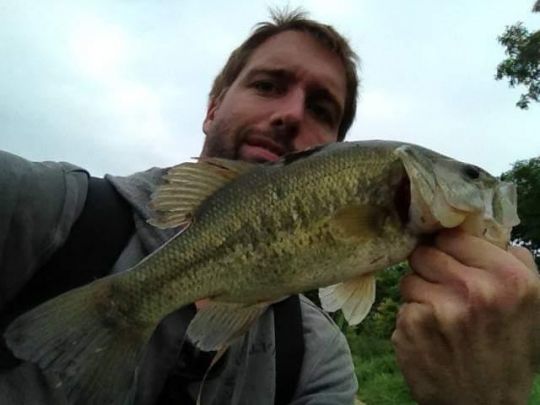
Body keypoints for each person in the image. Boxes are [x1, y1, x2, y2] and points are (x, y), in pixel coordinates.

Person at [0, 8, 538, 405]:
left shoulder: (314, 357)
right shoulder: (46, 210)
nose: (289, 113)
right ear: (213, 107)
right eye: (267, 84)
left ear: (331, 148)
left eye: (322, 109)